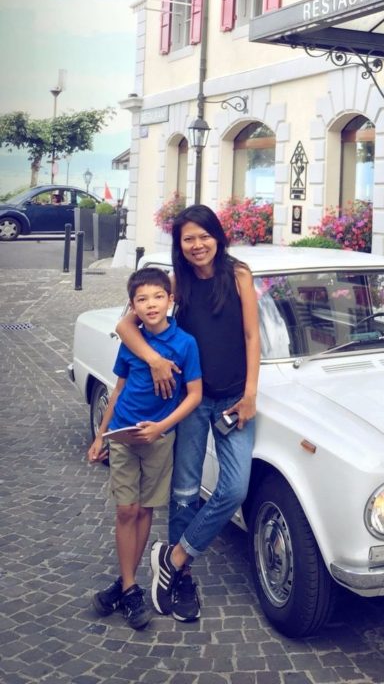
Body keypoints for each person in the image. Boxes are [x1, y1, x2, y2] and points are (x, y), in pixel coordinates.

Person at [115, 204, 260, 623]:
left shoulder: (238, 275)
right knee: (184, 493)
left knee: (234, 489)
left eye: (204, 236)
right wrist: (156, 362)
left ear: (218, 236)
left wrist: (251, 393)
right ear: (180, 244)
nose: (198, 245)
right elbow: (127, 326)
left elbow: (252, 335)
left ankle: (174, 557)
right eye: (188, 239)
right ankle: (181, 581)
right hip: (192, 403)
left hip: (234, 399)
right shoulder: (176, 285)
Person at [89, 267, 202, 630]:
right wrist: (100, 434)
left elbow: (195, 395)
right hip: (123, 435)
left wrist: (161, 428)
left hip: (159, 440)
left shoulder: (185, 344)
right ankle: (129, 586)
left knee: (144, 511)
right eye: (141, 299)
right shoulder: (131, 341)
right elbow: (118, 388)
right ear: (132, 306)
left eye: (158, 297)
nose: (150, 304)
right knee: (126, 510)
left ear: (171, 300)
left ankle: (126, 587)